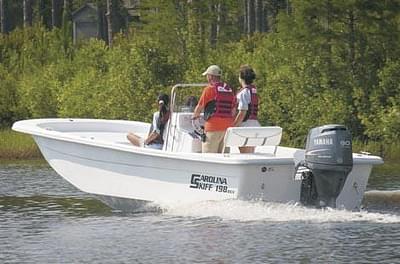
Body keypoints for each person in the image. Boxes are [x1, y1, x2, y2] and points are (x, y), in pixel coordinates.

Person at [192, 65, 235, 153]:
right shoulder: (229, 90)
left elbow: (199, 107)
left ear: (211, 76)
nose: (207, 78)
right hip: (227, 130)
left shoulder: (209, 89)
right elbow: (233, 111)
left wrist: (194, 117)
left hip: (212, 128)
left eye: (207, 75)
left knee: (209, 159)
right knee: (223, 159)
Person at [233, 65, 260, 153]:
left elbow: (242, 112)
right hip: (255, 124)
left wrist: (233, 126)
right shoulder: (254, 91)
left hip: (245, 126)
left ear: (241, 77)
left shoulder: (244, 92)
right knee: (251, 152)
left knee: (245, 153)